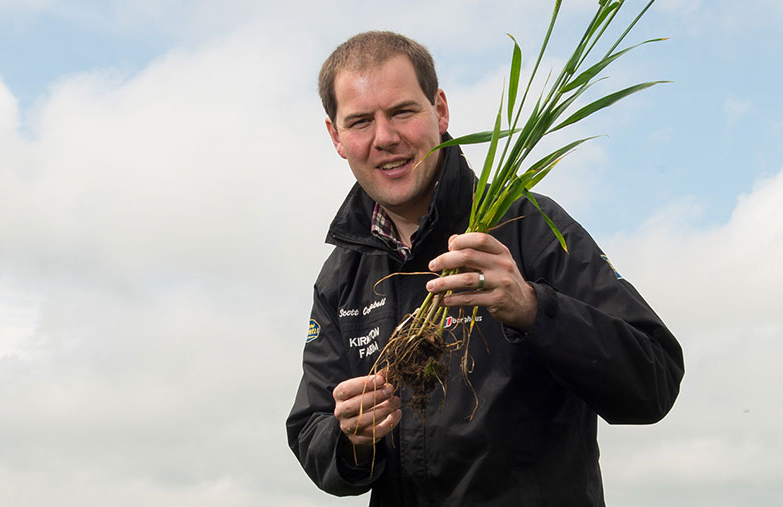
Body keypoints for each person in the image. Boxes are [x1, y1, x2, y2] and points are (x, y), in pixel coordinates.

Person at [287, 31, 684, 507]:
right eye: (360, 122)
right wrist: (350, 437)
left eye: (402, 112)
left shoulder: (526, 224)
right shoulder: (341, 278)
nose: (384, 138)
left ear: (441, 110)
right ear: (336, 137)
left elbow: (653, 380)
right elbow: (312, 432)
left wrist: (533, 308)